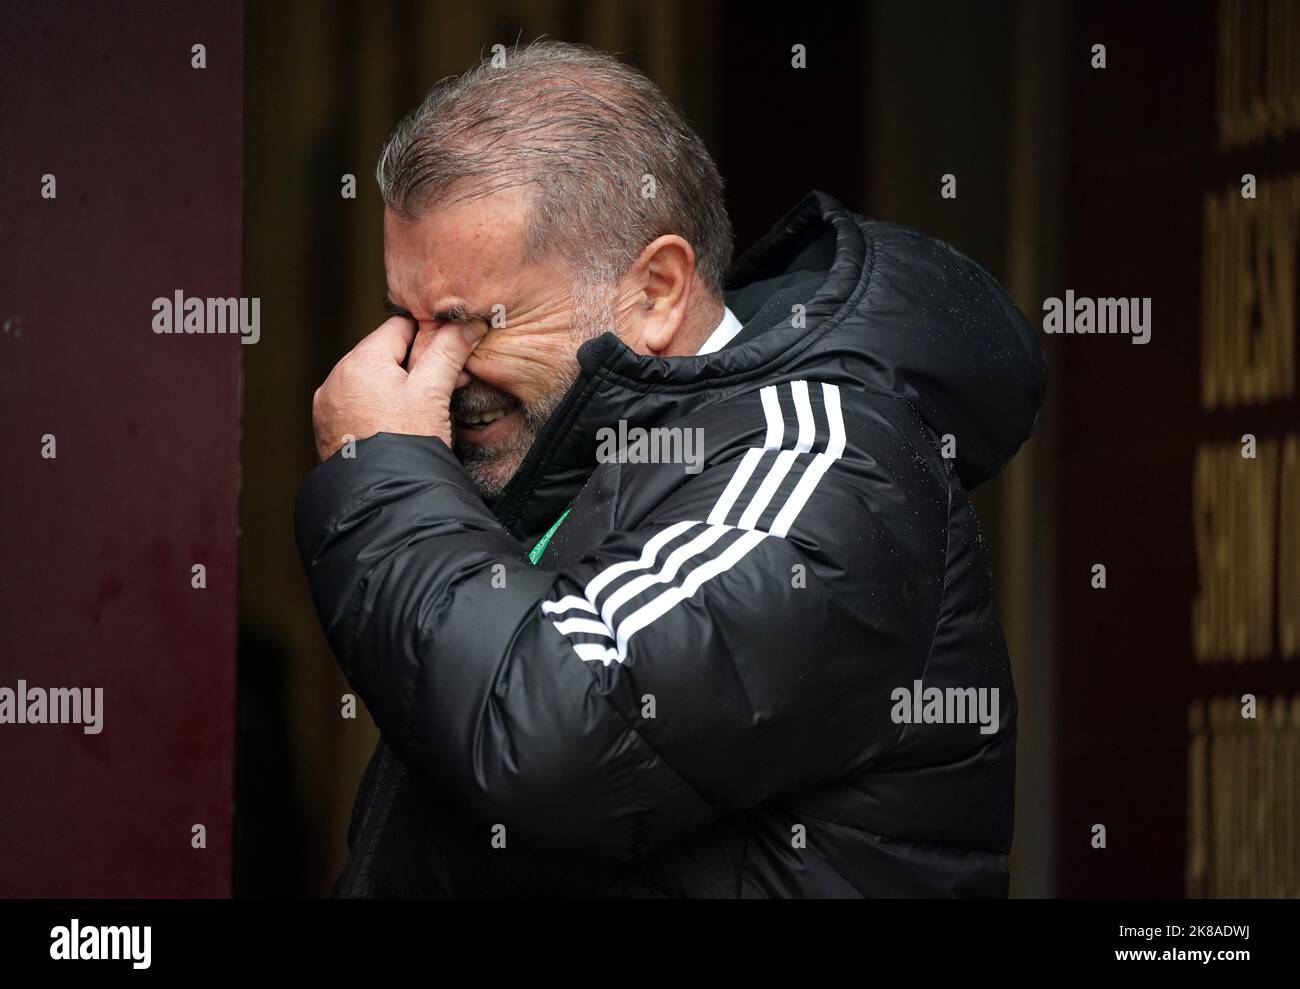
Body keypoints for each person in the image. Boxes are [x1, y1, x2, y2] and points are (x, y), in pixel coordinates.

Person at [295, 40, 1046, 897]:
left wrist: (384, 472)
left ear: (655, 290)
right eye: (408, 319)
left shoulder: (821, 460)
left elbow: (557, 729)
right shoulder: (554, 453)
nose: (425, 367)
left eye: (474, 324)